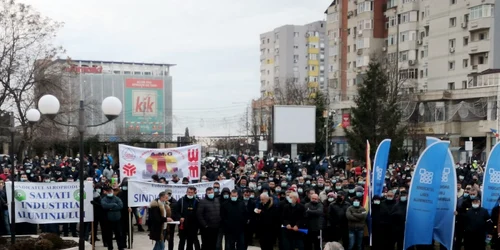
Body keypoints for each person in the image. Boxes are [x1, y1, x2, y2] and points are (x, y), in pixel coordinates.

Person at [100, 185, 126, 250]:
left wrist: (110, 208)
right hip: (108, 220)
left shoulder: (116, 198)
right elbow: (104, 206)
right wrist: (114, 205)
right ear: (106, 192)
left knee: (118, 234)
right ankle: (110, 247)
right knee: (109, 235)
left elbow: (120, 205)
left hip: (117, 219)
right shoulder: (104, 199)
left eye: (111, 191)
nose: (110, 192)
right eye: (108, 191)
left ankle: (120, 247)